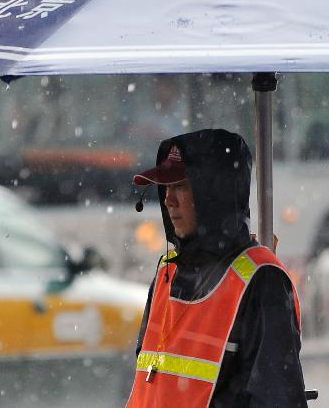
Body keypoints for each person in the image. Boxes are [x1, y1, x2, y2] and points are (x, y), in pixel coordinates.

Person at [126, 129, 307, 407]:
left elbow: (276, 397)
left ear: (212, 192)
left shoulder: (261, 280)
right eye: (166, 187)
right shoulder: (168, 272)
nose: (168, 200)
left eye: (181, 186)